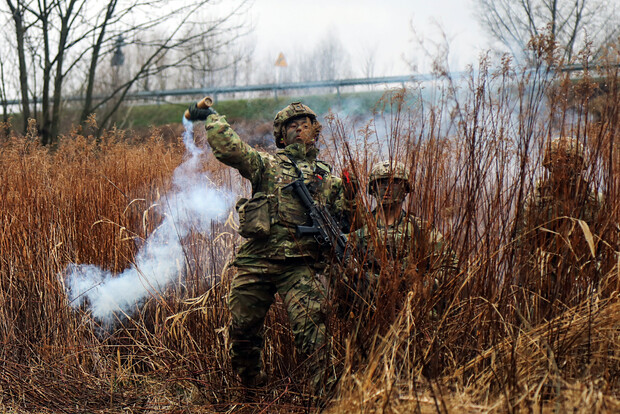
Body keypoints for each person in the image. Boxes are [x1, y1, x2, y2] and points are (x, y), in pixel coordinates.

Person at [186, 101, 357, 391]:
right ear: (281, 136)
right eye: (292, 125)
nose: (300, 128)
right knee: (242, 333)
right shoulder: (267, 165)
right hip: (258, 260)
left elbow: (347, 224)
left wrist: (351, 197)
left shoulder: (329, 178)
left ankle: (326, 400)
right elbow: (232, 150)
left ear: (315, 131)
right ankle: (251, 389)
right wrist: (212, 118)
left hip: (300, 265)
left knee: (313, 335)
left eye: (305, 123)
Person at [343, 160, 458, 319]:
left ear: (405, 189)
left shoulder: (420, 230)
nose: (387, 188)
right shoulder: (360, 231)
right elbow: (340, 268)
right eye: (381, 182)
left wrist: (422, 287)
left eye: (394, 182)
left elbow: (450, 266)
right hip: (369, 316)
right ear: (373, 188)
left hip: (413, 316)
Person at [515, 136, 604, 321]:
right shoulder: (536, 201)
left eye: (569, 164)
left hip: (584, 281)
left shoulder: (595, 202)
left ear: (580, 167)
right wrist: (538, 277)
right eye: (557, 164)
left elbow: (608, 246)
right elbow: (521, 246)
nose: (563, 170)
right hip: (543, 282)